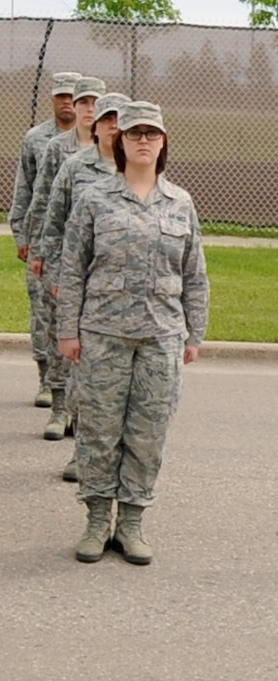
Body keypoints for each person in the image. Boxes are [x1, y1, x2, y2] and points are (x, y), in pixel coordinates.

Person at [56, 100, 207, 566]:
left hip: (161, 337)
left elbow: (194, 274)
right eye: (134, 133)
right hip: (103, 333)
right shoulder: (95, 198)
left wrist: (193, 333)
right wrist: (68, 330)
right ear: (119, 141)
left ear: (163, 144)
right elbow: (73, 268)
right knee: (99, 431)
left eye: (152, 134)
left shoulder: (180, 203)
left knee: (147, 433)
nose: (143, 141)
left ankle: (133, 521)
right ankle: (98, 520)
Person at [31, 91, 127, 467]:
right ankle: (63, 414)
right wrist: (54, 273)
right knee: (72, 358)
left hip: (118, 291)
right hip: (78, 281)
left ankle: (88, 449)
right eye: (107, 120)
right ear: (96, 125)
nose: (114, 127)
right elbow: (52, 223)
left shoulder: (138, 169)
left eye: (120, 121)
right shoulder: (74, 167)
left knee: (105, 375)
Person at [24, 75, 105, 428]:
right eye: (82, 102)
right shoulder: (59, 149)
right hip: (65, 257)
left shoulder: (118, 153)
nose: (87, 109)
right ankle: (59, 406)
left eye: (93, 103)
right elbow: (44, 203)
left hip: (101, 260)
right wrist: (38, 250)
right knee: (59, 328)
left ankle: (84, 413)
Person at [9, 71, 83, 407]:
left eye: (74, 97)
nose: (67, 102)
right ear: (52, 99)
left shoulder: (101, 140)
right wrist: (22, 233)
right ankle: (46, 378)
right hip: (43, 238)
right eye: (61, 96)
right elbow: (26, 189)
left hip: (80, 241)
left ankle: (75, 388)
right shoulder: (37, 139)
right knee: (43, 312)